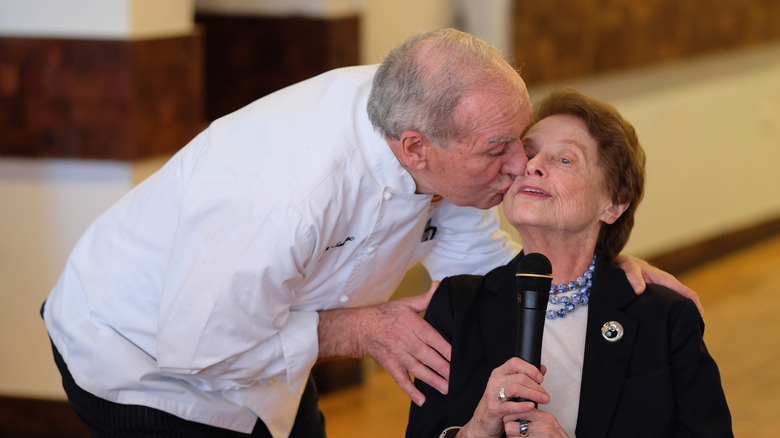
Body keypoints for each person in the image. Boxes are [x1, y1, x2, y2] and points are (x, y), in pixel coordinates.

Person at [42, 29, 697, 438]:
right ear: (415, 149)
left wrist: (592, 270)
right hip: (143, 359)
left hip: (261, 348)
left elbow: (474, 260)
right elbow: (202, 343)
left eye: (518, 142)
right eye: (500, 151)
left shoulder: (446, 131)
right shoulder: (282, 196)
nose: (519, 167)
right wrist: (362, 328)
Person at [406, 88, 732, 438]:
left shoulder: (665, 317)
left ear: (614, 203)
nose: (532, 166)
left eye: (564, 160)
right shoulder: (457, 304)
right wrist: (477, 429)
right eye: (528, 154)